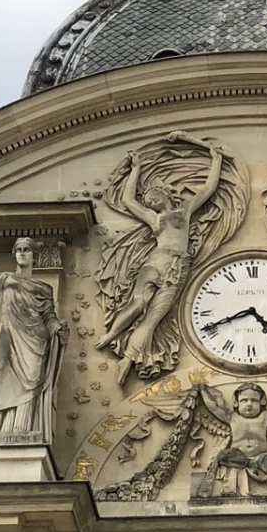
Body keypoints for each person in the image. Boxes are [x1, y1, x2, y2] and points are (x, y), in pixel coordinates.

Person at [99, 146, 223, 385]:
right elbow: (127, 200)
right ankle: (112, 334)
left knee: (153, 316)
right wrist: (135, 169)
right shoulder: (154, 218)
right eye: (148, 201)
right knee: (138, 304)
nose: (150, 202)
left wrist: (216, 160)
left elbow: (208, 188)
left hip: (176, 266)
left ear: (165, 195)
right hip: (155, 262)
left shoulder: (184, 211)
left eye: (153, 197)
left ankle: (129, 358)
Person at [0, 237, 62, 442]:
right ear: (14, 255)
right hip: (5, 336)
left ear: (34, 256)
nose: (22, 253)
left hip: (34, 341)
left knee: (31, 383)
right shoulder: (2, 279)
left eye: (26, 250)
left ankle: (23, 427)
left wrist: (57, 328)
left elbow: (49, 316)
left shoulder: (43, 288)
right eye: (19, 250)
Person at [199, 379, 267, 499]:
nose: (249, 404)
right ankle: (248, 465)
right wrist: (203, 391)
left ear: (261, 402)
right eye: (244, 400)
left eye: (254, 400)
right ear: (237, 403)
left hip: (261, 456)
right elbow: (213, 407)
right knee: (224, 455)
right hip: (238, 456)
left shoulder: (265, 416)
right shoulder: (232, 417)